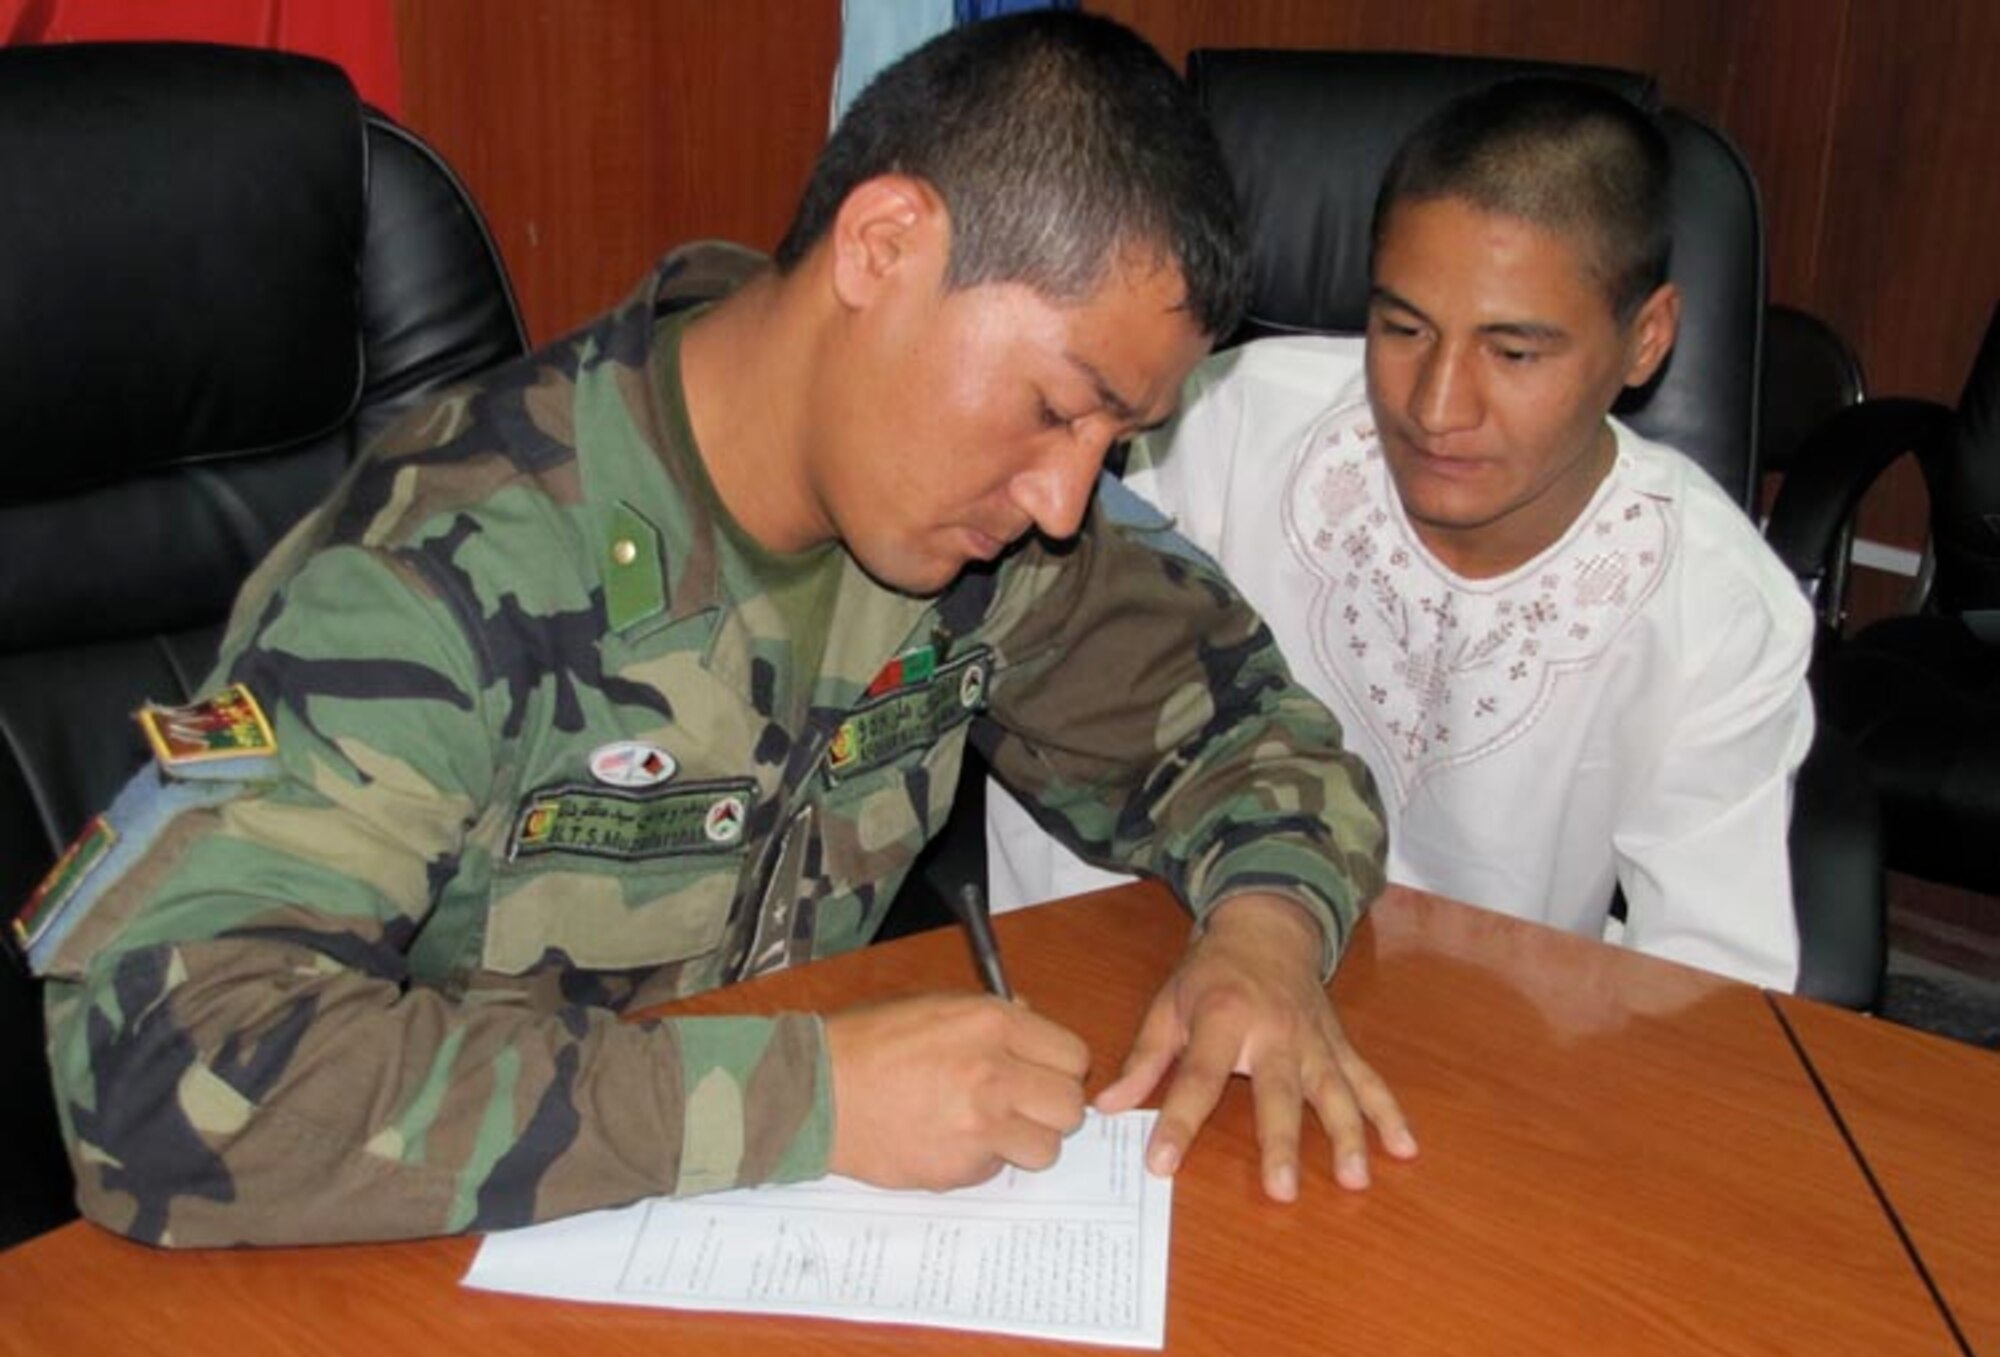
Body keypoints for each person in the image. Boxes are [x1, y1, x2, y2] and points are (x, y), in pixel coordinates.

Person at [19, 12, 1414, 1249]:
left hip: (773, 1279)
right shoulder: (447, 568)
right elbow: (160, 1080)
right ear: (884, 245)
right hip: (407, 1301)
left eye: (1118, 436)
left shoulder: (979, 533)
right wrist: (808, 1097)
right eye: (1058, 405)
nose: (1067, 496)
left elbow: (1255, 737)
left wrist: (1268, 930)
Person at [989, 77, 1816, 991]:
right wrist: (1079, 1001)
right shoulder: (1222, 427)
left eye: (1513, 352)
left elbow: (1712, 983)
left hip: (1503, 1049)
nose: (1436, 405)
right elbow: (1064, 755)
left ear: (1647, 338)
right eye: (1403, 326)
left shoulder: (1719, 607)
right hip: (1194, 975)